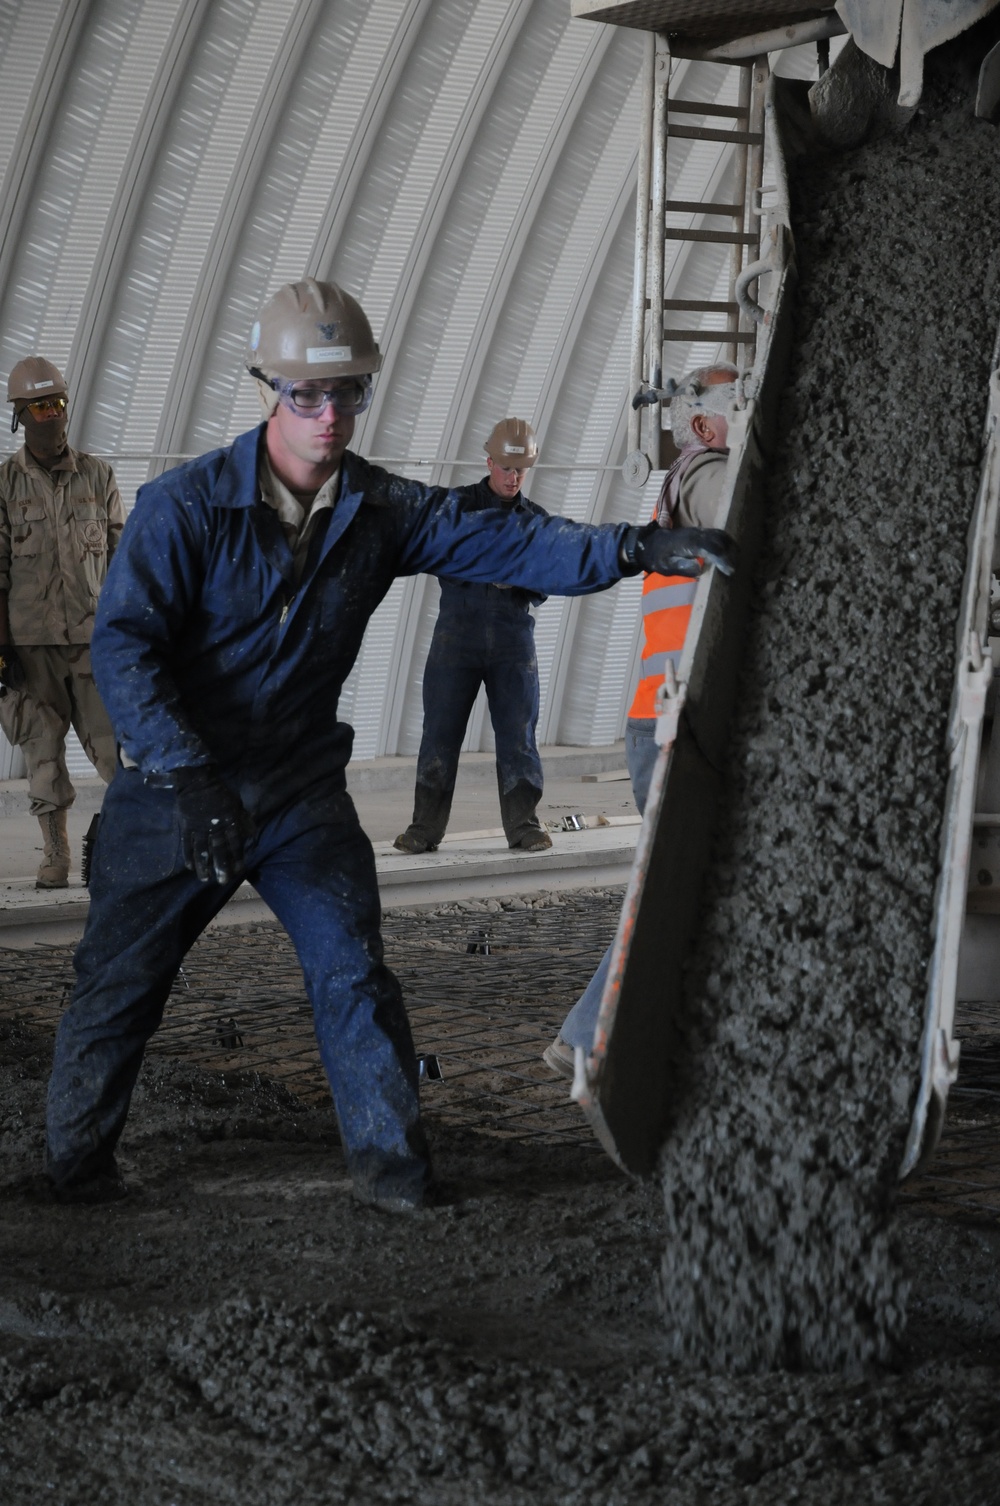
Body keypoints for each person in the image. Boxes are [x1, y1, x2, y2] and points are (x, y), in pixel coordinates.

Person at [43, 279, 734, 1211]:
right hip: (175, 793)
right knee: (118, 985)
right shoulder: (184, 508)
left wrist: (634, 548)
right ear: (267, 392)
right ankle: (72, 1175)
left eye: (349, 394)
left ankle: (393, 1177)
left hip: (298, 792)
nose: (330, 417)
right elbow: (123, 648)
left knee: (355, 973)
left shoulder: (379, 508)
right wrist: (187, 771)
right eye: (307, 395)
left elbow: (505, 545)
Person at [543, 363, 737, 1078]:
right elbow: (745, 520)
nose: (744, 416)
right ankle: (588, 1038)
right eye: (734, 405)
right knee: (670, 889)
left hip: (666, 719)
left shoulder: (683, 483)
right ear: (702, 424)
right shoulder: (707, 472)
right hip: (668, 723)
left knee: (687, 884)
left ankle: (608, 1036)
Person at [393, 417, 552, 856]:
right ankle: (424, 829)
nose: (514, 477)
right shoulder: (457, 508)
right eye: (506, 468)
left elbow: (547, 580)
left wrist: (517, 579)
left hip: (513, 643)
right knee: (439, 734)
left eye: (521, 470)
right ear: (489, 462)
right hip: (455, 642)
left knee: (518, 736)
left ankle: (524, 826)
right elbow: (425, 549)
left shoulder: (536, 521)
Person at [0, 357, 125, 888]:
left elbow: (123, 561)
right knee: (42, 752)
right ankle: (55, 854)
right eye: (39, 407)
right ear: (20, 418)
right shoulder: (5, 485)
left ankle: (122, 843)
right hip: (29, 647)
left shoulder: (97, 475)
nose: (50, 415)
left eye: (57, 404)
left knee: (116, 749)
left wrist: (131, 638)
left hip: (93, 639)